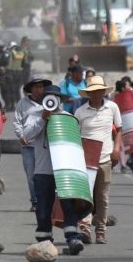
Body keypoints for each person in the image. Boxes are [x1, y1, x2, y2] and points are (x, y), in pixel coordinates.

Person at [20, 84, 86, 255]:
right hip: (43, 170)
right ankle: (44, 241)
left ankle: (73, 238)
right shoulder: (34, 116)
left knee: (69, 205)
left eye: (54, 98)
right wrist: (43, 118)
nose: (51, 101)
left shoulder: (68, 118)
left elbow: (75, 144)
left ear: (60, 100)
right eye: (47, 97)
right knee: (43, 207)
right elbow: (26, 136)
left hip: (65, 170)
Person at [74, 76, 121, 244]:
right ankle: (85, 229)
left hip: (105, 159)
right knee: (85, 197)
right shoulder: (80, 112)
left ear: (103, 91)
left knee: (102, 197)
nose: (96, 94)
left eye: (98, 91)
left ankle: (101, 230)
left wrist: (117, 150)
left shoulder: (112, 107)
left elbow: (119, 130)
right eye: (92, 92)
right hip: (85, 160)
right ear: (88, 94)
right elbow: (75, 136)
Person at [13, 78, 49, 212]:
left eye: (41, 87)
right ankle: (35, 201)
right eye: (36, 87)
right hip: (28, 145)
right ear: (31, 89)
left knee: (45, 175)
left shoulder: (49, 102)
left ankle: (46, 201)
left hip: (44, 145)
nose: (39, 89)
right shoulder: (22, 103)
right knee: (31, 175)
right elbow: (17, 121)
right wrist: (21, 136)